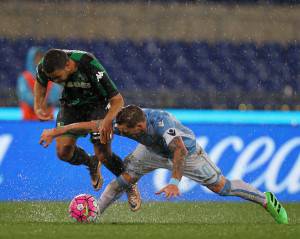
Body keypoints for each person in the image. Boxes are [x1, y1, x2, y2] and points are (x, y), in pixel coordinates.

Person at [39, 105, 289, 224]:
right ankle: (94, 216)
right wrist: (56, 131)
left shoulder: (163, 124)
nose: (120, 133)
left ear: (140, 127)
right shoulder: (126, 120)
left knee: (221, 187)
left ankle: (266, 200)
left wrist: (174, 182)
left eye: (125, 132)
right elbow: (92, 125)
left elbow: (178, 151)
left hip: (187, 154)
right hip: (151, 152)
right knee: (124, 178)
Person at [34, 49, 141, 211]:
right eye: (52, 78)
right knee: (63, 152)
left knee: (104, 155)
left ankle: (129, 184)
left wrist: (107, 120)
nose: (54, 81)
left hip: (98, 105)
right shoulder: (45, 65)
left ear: (69, 65)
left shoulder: (89, 63)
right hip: (70, 105)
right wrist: (38, 106)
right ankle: (90, 162)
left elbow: (118, 100)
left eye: (57, 77)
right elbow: (41, 83)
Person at [17, 47, 61, 120]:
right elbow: (24, 94)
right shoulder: (24, 77)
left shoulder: (51, 76)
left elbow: (56, 92)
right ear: (31, 60)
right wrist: (39, 103)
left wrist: (48, 101)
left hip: (47, 117)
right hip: (29, 118)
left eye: (41, 58)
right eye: (36, 58)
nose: (39, 61)